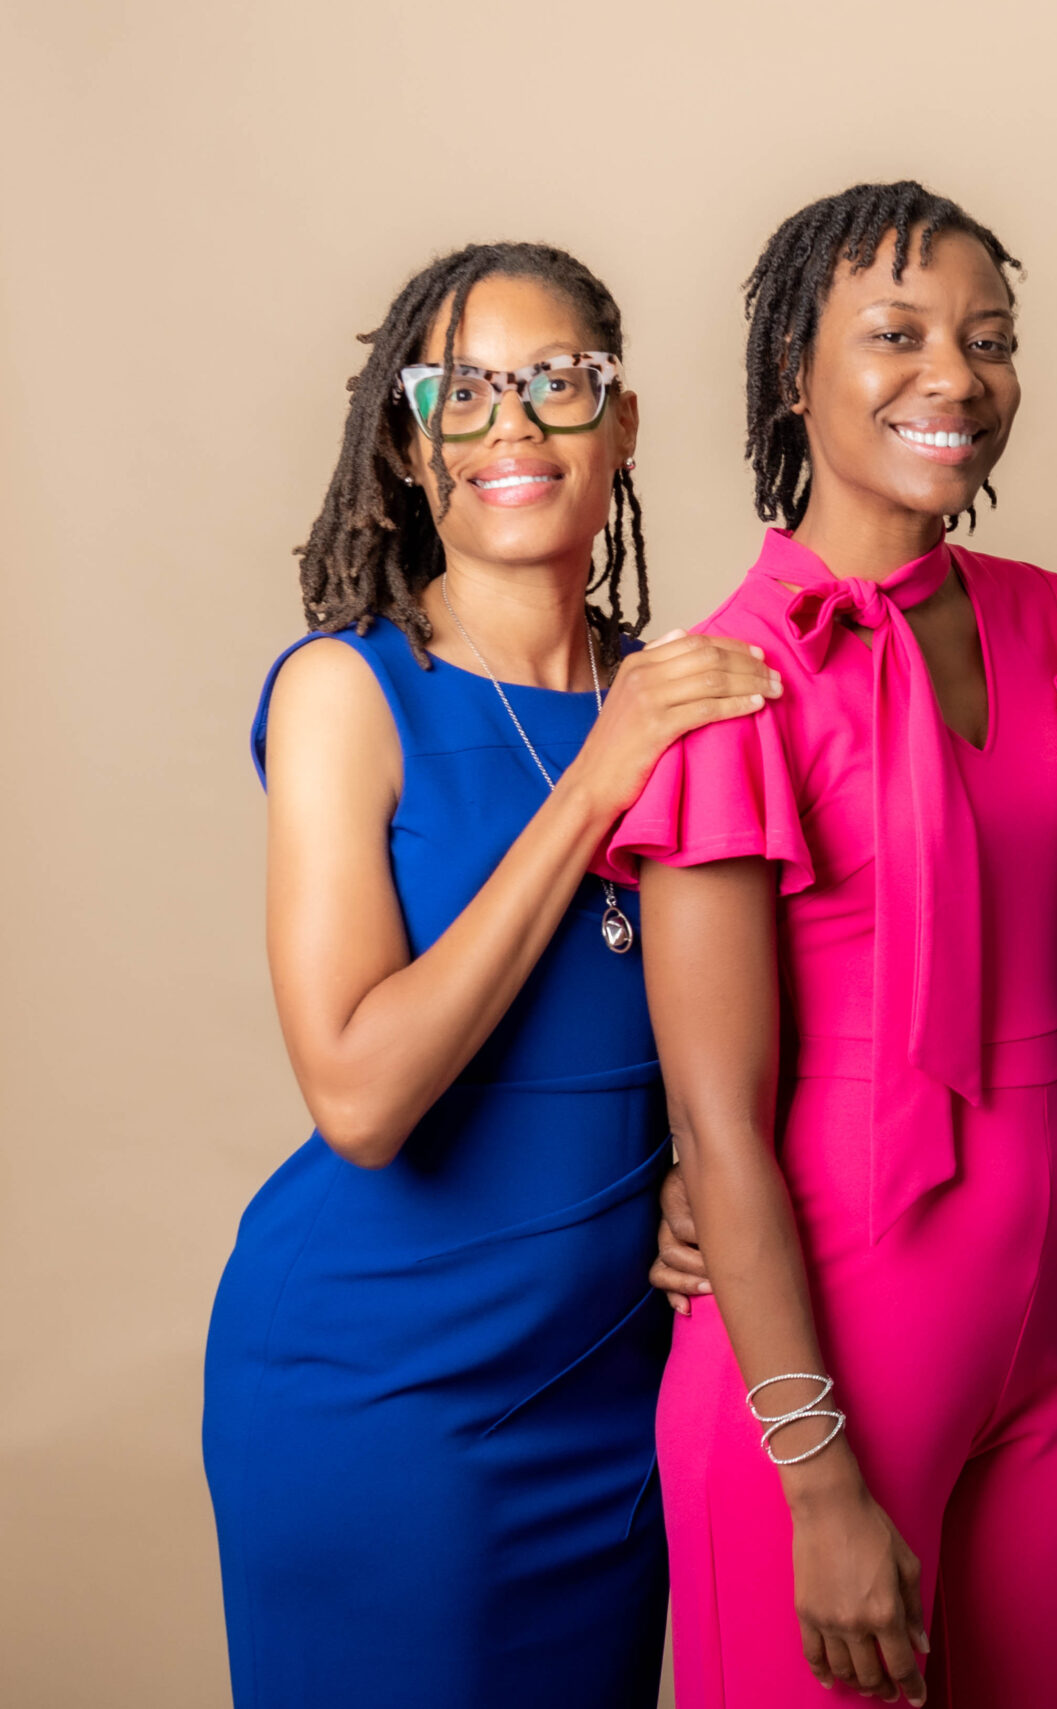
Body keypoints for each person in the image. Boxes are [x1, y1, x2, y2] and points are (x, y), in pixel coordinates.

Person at [202, 243, 779, 1707]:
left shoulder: (679, 692)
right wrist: (598, 779)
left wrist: (686, 1165)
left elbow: (772, 1022)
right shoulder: (351, 689)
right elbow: (363, 1093)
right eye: (461, 394)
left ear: (623, 423)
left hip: (613, 1393)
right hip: (381, 1393)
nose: (512, 427)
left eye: (556, 384)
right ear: (409, 446)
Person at [600, 183, 1057, 1708]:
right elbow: (717, 1120)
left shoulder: (1056, 628)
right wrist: (815, 1481)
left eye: (990, 338)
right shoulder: (731, 685)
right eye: (895, 335)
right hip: (828, 1345)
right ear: (791, 371)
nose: (954, 375)